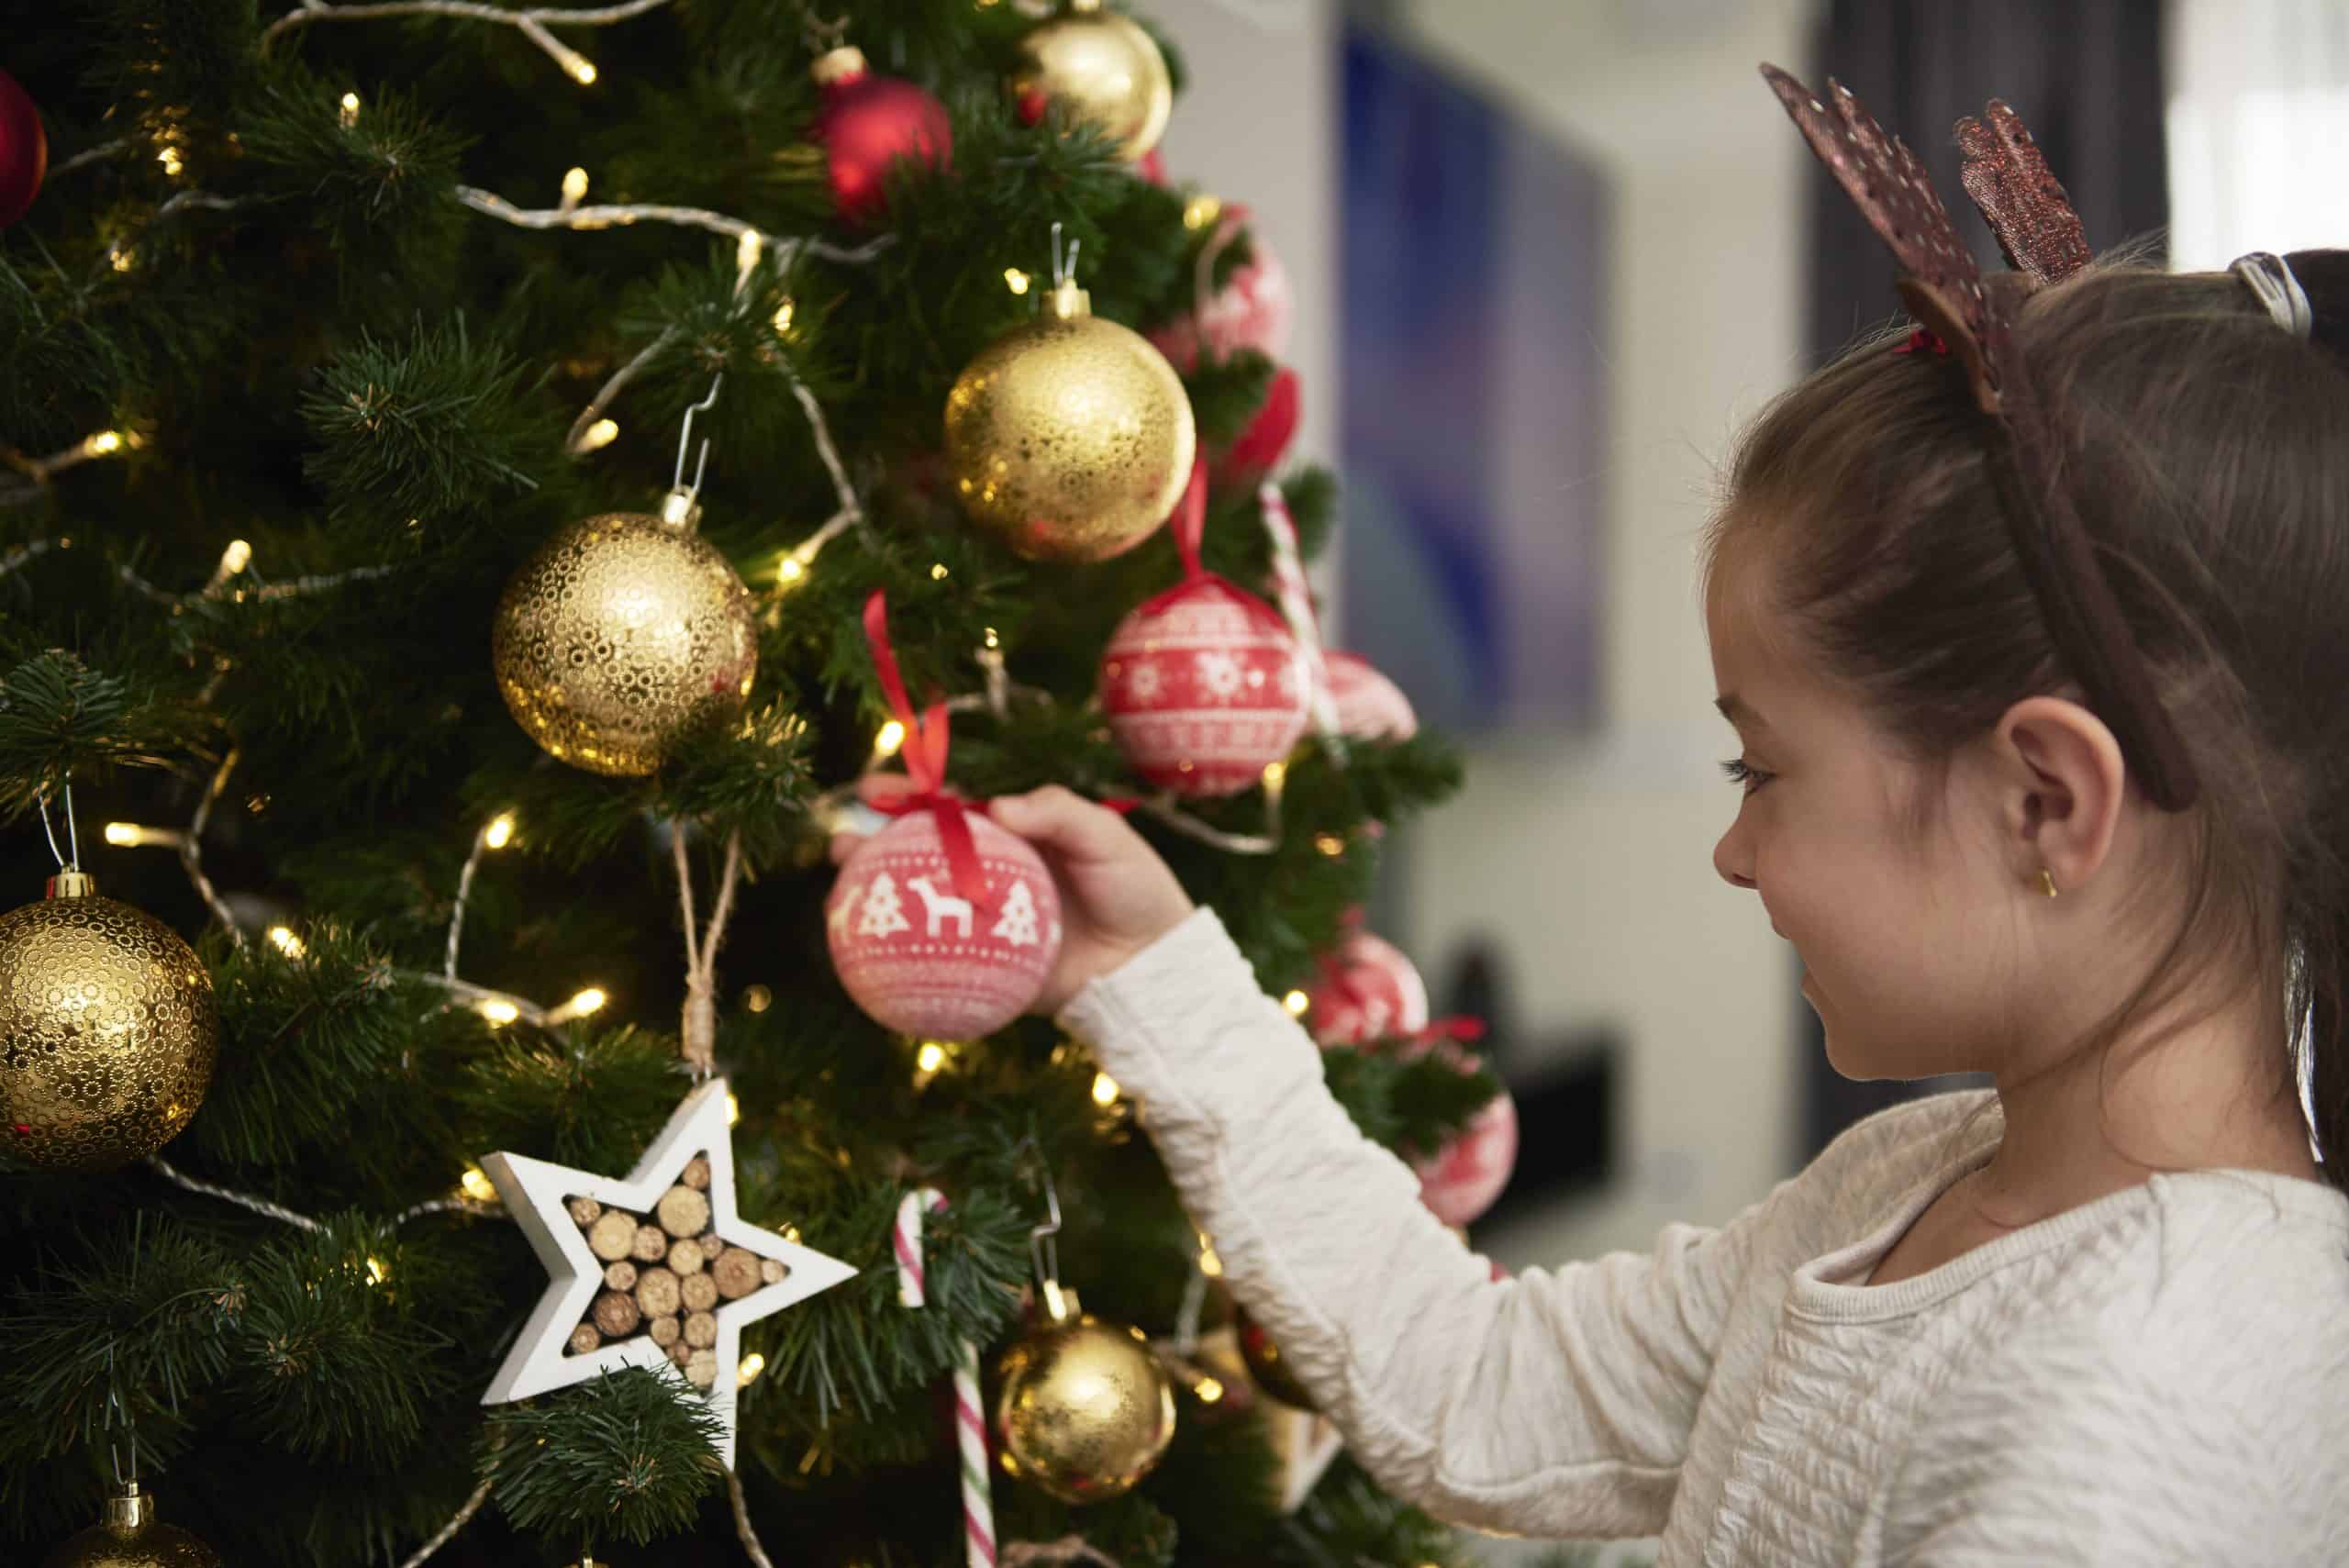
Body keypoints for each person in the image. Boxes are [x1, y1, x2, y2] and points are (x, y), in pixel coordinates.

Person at [838, 73, 2349, 1565]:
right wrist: (1147, 967)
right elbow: (1476, 1386)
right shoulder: (1909, 1183)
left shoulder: (2167, 1379)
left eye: (1761, 768)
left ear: (2045, 800)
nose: (1736, 849)